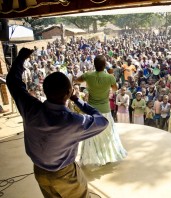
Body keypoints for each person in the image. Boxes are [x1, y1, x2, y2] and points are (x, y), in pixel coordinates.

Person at [6, 48, 109, 197]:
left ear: (44, 89)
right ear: (69, 92)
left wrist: (21, 58)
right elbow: (102, 120)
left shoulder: (29, 108)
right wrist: (77, 100)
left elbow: (13, 81)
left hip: (40, 172)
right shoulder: (74, 122)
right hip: (65, 176)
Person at [75, 55, 127, 167]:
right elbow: (115, 88)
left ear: (94, 64)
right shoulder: (110, 77)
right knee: (107, 135)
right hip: (105, 110)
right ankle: (108, 157)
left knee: (92, 136)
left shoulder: (88, 75)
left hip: (91, 111)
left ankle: (94, 158)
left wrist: (87, 83)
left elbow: (77, 80)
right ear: (104, 65)